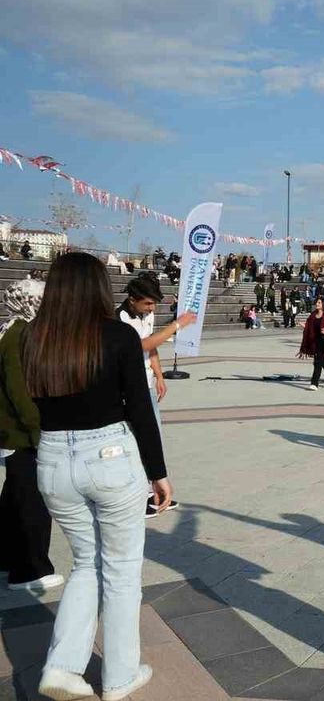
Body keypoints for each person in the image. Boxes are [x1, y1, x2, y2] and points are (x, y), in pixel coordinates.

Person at [29, 252, 172, 701]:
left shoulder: (34, 338)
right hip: (108, 453)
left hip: (52, 457)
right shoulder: (118, 335)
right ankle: (120, 675)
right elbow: (140, 409)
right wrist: (158, 472)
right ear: (98, 289)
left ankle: (63, 666)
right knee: (122, 570)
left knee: (86, 564)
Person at [0, 279, 60, 592]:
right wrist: (38, 429)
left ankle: (7, 558)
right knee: (32, 502)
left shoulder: (9, 329)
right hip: (22, 433)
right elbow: (19, 388)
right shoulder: (20, 334)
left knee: (13, 499)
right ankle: (29, 569)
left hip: (12, 431)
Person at [118, 276, 196, 518]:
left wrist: (159, 374)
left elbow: (152, 348)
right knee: (138, 440)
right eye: (148, 304)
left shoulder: (146, 315)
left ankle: (154, 491)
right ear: (133, 300)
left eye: (154, 304)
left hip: (147, 382)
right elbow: (141, 345)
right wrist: (176, 325)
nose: (152, 309)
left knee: (154, 437)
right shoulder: (121, 319)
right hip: (129, 386)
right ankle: (140, 496)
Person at [299, 299, 324, 390]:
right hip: (314, 341)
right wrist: (304, 325)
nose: (317, 304)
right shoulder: (313, 315)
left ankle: (314, 383)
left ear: (323, 304)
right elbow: (309, 326)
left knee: (317, 362)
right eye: (316, 302)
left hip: (323, 341)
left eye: (319, 302)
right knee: (323, 362)